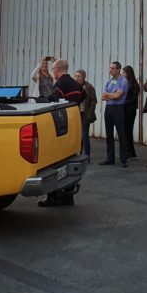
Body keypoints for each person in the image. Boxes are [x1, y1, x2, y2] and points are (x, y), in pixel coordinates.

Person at [39, 59, 85, 207]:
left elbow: (55, 104)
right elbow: (82, 97)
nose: (52, 72)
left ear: (58, 69)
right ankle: (68, 197)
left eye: (53, 69)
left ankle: (53, 198)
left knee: (55, 163)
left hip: (61, 127)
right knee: (71, 161)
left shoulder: (59, 85)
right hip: (75, 126)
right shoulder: (76, 84)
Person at [100, 61, 130, 168]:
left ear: (118, 69)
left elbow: (118, 96)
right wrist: (111, 95)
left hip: (118, 109)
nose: (110, 70)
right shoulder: (109, 81)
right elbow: (103, 97)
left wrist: (110, 95)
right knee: (109, 134)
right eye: (110, 68)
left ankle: (123, 158)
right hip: (109, 108)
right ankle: (110, 158)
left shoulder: (123, 81)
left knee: (121, 133)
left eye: (113, 68)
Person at [74, 69, 97, 159]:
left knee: (85, 135)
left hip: (85, 114)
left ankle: (87, 155)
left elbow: (93, 101)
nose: (76, 78)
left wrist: (89, 113)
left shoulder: (89, 87)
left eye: (79, 76)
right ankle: (78, 154)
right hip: (76, 114)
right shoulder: (73, 87)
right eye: (75, 76)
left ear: (83, 77)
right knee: (77, 135)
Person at [123, 65, 141, 161]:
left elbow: (133, 98)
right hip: (125, 110)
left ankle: (129, 152)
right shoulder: (124, 83)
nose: (123, 75)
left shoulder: (134, 85)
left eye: (124, 73)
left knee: (127, 131)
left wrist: (123, 102)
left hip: (130, 110)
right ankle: (131, 152)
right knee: (126, 132)